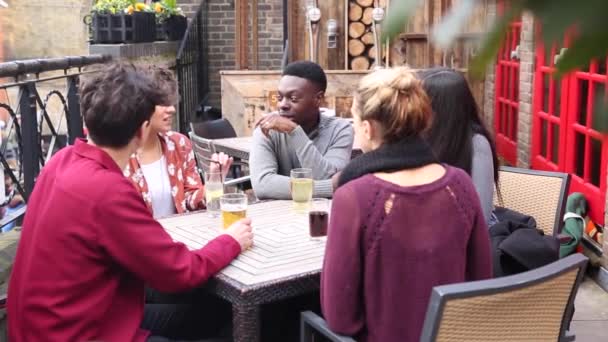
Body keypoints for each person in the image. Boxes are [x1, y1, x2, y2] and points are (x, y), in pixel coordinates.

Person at [7, 63, 254, 341]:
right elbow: (179, 272)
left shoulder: (60, 161)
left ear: (88, 122)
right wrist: (230, 241)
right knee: (219, 316)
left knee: (207, 312)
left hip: (45, 325)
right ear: (143, 128)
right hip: (80, 332)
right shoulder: (108, 190)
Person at [321, 67, 492, 342]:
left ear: (367, 128)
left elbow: (341, 318)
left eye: (353, 121)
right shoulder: (460, 185)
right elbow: (481, 279)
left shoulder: (353, 197)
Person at [124, 65, 232, 218]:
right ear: (141, 105)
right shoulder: (119, 151)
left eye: (172, 102)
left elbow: (190, 203)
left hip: (179, 235)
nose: (172, 109)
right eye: (163, 103)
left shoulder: (179, 144)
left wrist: (214, 182)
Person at [250, 61, 354, 199]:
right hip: (275, 215)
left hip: (323, 214)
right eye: (280, 98)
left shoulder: (340, 130)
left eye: (293, 99)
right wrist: (326, 188)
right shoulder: (267, 129)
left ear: (318, 99)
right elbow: (263, 185)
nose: (282, 105)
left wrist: (295, 132)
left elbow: (325, 176)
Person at [418, 67, 500, 225]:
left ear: (441, 108)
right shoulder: (418, 135)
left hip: (464, 236)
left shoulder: (477, 144)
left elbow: (481, 214)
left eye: (421, 101)